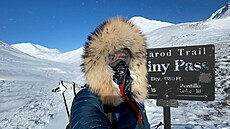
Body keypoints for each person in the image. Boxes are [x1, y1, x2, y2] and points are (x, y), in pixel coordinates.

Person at [69, 17, 150, 129]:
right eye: (113, 56)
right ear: (101, 61)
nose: (120, 62)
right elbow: (86, 119)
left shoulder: (132, 95)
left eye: (124, 57)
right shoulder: (88, 97)